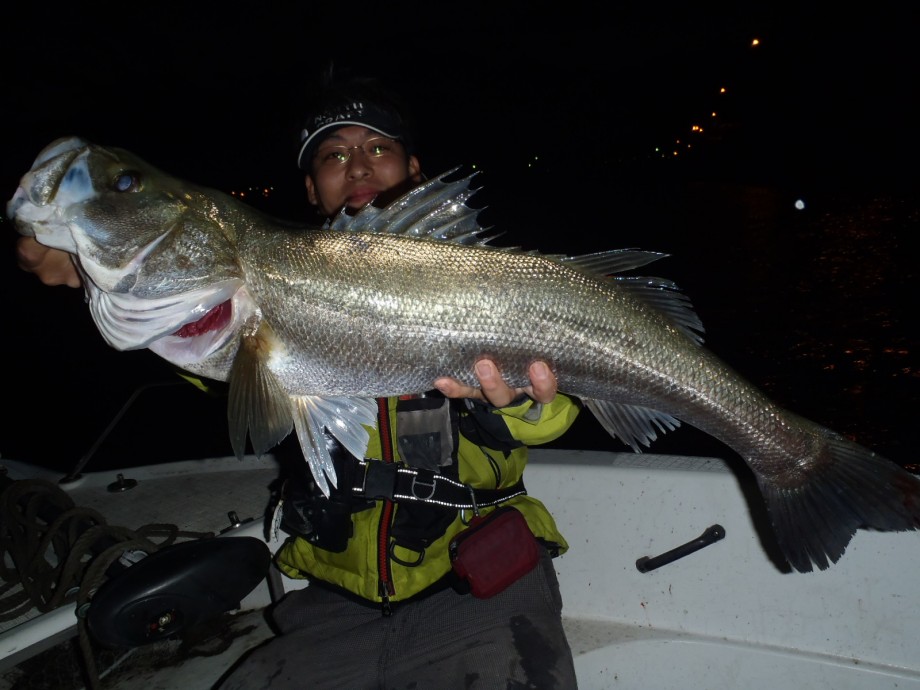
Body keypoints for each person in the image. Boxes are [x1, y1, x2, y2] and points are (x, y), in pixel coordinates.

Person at [16, 76, 582, 688]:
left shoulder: (483, 277)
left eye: (378, 148)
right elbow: (232, 373)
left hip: (484, 580)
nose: (358, 165)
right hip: (332, 598)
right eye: (333, 154)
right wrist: (93, 272)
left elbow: (558, 415)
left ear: (415, 169)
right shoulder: (265, 273)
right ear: (312, 188)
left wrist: (520, 402)